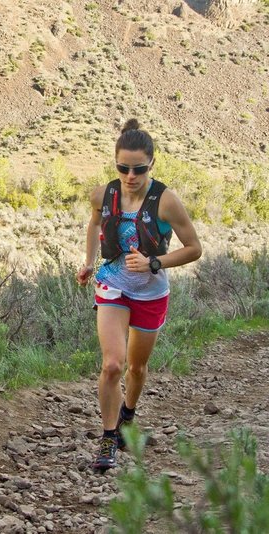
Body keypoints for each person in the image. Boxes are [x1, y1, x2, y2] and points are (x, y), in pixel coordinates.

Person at [75, 119, 202, 472]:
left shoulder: (166, 201)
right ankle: (108, 436)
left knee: (137, 367)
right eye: (123, 168)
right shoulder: (103, 194)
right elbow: (96, 224)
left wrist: (154, 263)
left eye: (139, 169)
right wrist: (88, 263)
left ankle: (128, 415)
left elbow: (194, 248)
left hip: (150, 293)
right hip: (113, 285)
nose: (130, 175)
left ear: (152, 164)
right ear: (115, 163)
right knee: (112, 364)